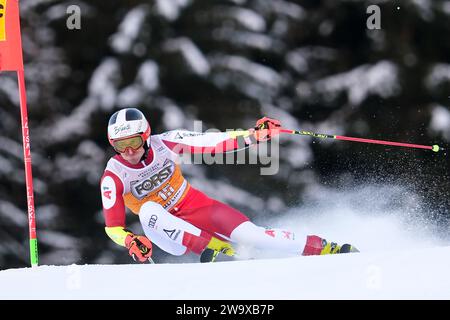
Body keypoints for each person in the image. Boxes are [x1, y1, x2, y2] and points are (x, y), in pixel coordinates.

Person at [100, 108, 357, 263]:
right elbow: (113, 228)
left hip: (197, 206)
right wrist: (131, 240)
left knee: (254, 236)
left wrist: (253, 135)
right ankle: (216, 250)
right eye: (120, 145)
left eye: (133, 141)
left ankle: (327, 248)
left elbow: (212, 141)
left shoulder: (165, 143)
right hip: (166, 232)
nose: (129, 150)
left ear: (145, 135)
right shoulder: (114, 175)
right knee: (148, 210)